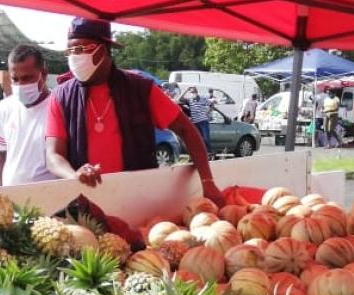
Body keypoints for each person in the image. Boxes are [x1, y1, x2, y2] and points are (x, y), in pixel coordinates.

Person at [46, 18, 222, 205]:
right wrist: (74, 175)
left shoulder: (141, 89)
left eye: (81, 49)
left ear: (103, 50)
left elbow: (187, 131)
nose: (74, 57)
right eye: (70, 51)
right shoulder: (61, 97)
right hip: (86, 203)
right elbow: (53, 156)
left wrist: (207, 182)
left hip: (139, 201)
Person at [0, 44, 55, 186]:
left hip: (49, 201)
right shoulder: (5, 107)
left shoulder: (58, 107)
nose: (20, 85)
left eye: (27, 78)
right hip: (12, 201)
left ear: (43, 75)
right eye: (15, 79)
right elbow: (1, 154)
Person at [180, 86, 213, 150]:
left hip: (203, 121)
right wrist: (186, 89)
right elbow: (180, 99)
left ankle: (209, 151)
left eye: (194, 92)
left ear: (196, 92)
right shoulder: (190, 100)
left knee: (206, 138)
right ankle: (203, 151)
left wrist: (207, 112)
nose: (192, 94)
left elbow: (211, 104)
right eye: (191, 93)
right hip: (195, 122)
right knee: (199, 139)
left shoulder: (202, 98)